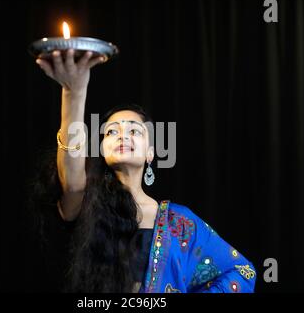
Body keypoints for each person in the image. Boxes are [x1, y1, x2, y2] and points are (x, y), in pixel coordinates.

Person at [32, 49, 256, 293]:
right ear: (103, 149)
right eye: (111, 131)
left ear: (150, 153)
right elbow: (72, 183)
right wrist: (73, 92)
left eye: (134, 131)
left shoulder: (179, 222)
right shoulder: (88, 201)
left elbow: (242, 271)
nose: (122, 136)